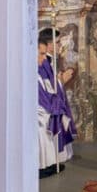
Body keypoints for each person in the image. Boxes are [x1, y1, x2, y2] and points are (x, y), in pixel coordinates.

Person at [37, 29, 76, 178]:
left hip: (44, 104)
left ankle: (49, 164)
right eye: (58, 42)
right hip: (40, 109)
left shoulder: (49, 60)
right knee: (45, 124)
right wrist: (61, 82)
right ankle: (44, 166)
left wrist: (59, 81)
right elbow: (46, 89)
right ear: (49, 45)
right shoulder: (41, 64)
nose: (60, 45)